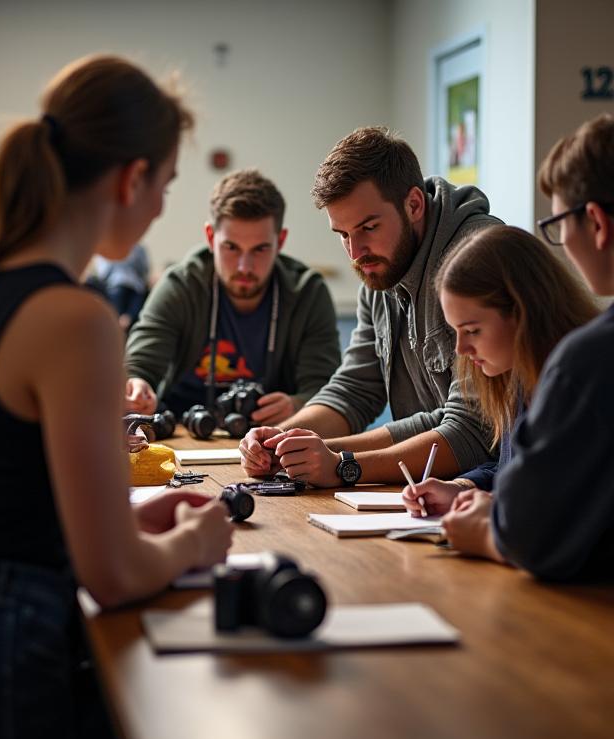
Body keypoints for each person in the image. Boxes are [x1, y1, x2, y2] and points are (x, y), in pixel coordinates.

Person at [0, 54, 233, 739]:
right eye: (167, 185)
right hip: (5, 632)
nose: (158, 208)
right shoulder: (73, 317)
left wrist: (120, 521)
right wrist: (193, 544)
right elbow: (112, 575)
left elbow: (7, 485)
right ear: (132, 178)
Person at [240, 126, 501, 486]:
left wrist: (342, 463)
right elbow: (355, 389)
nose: (355, 252)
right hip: (433, 488)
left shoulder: (477, 258)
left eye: (368, 227)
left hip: (491, 488)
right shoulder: (380, 265)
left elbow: (475, 433)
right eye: (343, 235)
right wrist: (280, 439)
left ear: (413, 204)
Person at [435, 113, 614, 580]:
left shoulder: (586, 363)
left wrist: (487, 535)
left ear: (595, 222)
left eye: (558, 223)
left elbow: (527, 534)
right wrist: (468, 490)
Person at [401, 224, 596, 517]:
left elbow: (571, 503)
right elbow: (513, 468)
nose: (460, 350)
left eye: (473, 330)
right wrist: (463, 487)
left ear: (522, 311)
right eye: (456, 331)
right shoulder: (518, 374)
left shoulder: (582, 383)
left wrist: (495, 515)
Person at [124, 168, 341, 425]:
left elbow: (326, 390)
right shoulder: (180, 285)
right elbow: (139, 367)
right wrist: (137, 387)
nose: (244, 267)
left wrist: (298, 404)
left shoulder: (308, 293)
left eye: (260, 249)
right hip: (182, 429)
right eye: (231, 247)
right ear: (210, 237)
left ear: (280, 241)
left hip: (271, 438)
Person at [90, 242, 150, 332]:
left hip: (116, 286)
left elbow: (103, 272)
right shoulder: (138, 248)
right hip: (136, 288)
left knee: (115, 320)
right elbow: (143, 269)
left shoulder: (105, 246)